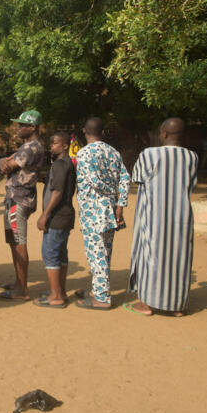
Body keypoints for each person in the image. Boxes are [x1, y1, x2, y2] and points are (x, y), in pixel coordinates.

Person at [126, 118, 198, 317]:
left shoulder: (149, 154)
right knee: (179, 256)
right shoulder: (192, 157)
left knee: (150, 255)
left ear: (164, 134)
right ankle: (177, 305)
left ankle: (146, 303)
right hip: (181, 216)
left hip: (153, 215)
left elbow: (138, 178)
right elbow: (191, 184)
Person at [73, 117, 130, 309]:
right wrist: (119, 203)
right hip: (111, 211)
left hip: (93, 211)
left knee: (95, 254)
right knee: (105, 252)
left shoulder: (83, 154)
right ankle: (97, 289)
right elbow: (125, 179)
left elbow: (93, 180)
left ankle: (102, 298)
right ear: (102, 132)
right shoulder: (114, 152)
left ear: (84, 131)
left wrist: (109, 192)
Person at [0, 109, 45, 300]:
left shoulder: (31, 148)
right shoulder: (26, 147)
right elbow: (5, 163)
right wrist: (4, 161)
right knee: (13, 241)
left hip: (19, 198)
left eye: (22, 125)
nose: (18, 128)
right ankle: (19, 282)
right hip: (16, 197)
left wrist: (3, 161)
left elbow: (6, 165)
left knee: (18, 243)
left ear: (32, 127)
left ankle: (22, 289)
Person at [35, 133, 77, 308]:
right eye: (50, 143)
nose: (51, 145)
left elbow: (57, 192)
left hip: (57, 217)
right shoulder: (66, 164)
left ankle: (56, 296)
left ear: (65, 145)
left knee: (50, 253)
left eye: (55, 143)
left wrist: (45, 214)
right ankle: (60, 290)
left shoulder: (60, 165)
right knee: (60, 253)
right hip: (66, 215)